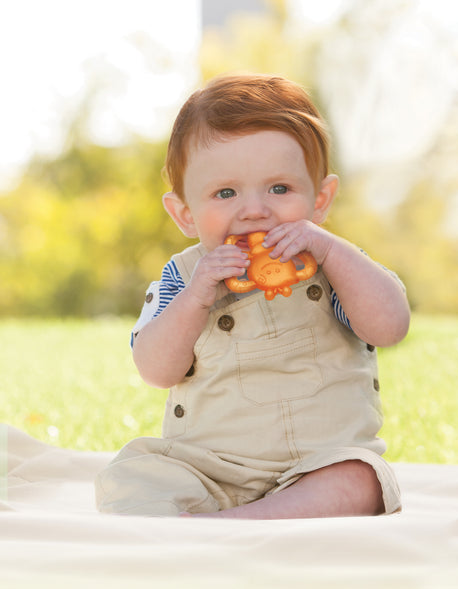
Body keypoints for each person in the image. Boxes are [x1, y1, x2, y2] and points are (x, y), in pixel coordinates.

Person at [95, 73, 410, 519]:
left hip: (318, 463)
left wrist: (329, 248)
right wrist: (197, 297)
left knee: (361, 481)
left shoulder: (337, 264)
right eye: (225, 193)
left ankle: (232, 525)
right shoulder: (183, 278)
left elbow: (390, 326)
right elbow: (156, 370)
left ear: (320, 199)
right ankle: (225, 517)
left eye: (279, 189)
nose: (255, 210)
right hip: (209, 470)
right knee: (130, 479)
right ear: (185, 213)